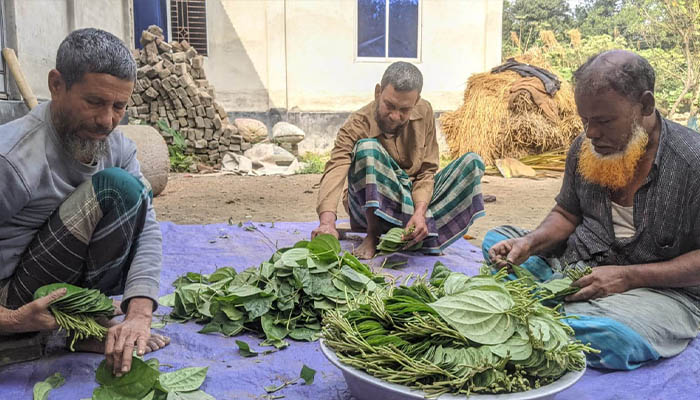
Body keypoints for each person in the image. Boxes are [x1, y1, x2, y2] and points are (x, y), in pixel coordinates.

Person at [483, 50, 700, 370]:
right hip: (580, 264)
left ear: (646, 106)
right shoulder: (585, 146)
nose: (591, 133)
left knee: (611, 336)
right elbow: (567, 214)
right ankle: (556, 305)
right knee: (497, 241)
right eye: (585, 120)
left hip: (662, 291)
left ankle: (555, 310)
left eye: (604, 121)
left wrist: (626, 278)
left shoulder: (692, 163)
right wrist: (529, 243)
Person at [0, 28, 169, 376]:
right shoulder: (11, 158)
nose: (107, 121)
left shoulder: (119, 148)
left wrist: (138, 315)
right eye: (94, 103)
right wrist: (12, 319)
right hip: (14, 299)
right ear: (56, 85)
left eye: (119, 106)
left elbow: (147, 231)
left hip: (54, 288)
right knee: (114, 188)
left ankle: (82, 326)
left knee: (129, 196)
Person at [312, 62, 486, 259]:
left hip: (412, 202)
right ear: (378, 92)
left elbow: (427, 172)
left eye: (404, 109)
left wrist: (419, 211)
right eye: (389, 105)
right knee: (367, 148)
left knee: (472, 162)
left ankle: (417, 228)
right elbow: (336, 168)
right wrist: (327, 223)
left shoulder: (425, 111)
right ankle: (375, 236)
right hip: (369, 209)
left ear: (416, 100)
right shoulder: (357, 124)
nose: (395, 116)